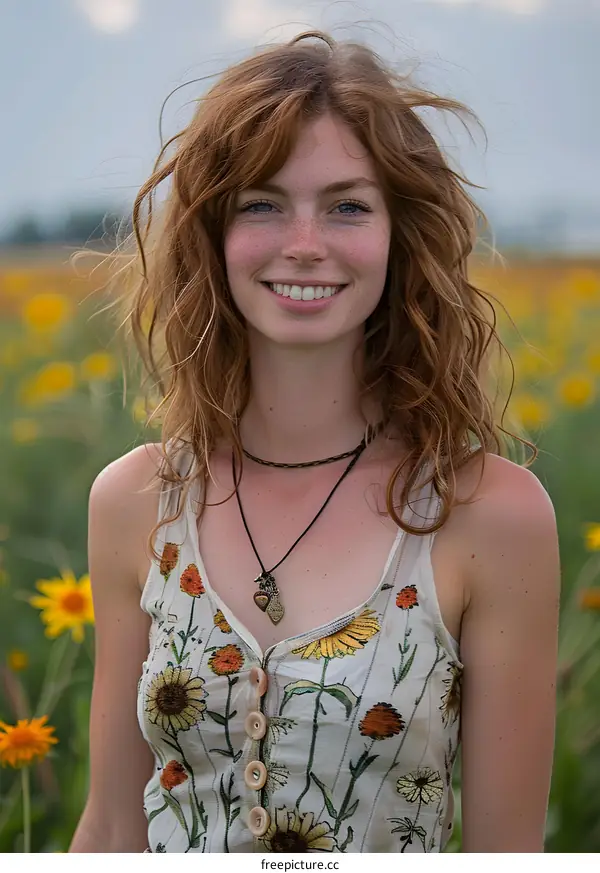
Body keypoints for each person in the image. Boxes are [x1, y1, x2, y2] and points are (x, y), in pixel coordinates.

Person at [68, 30, 561, 853]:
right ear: (212, 234)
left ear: (401, 235)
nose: (305, 242)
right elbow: (114, 824)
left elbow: (508, 856)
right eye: (261, 203)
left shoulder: (490, 516)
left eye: (347, 205)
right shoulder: (136, 501)